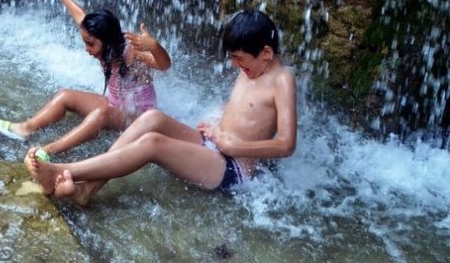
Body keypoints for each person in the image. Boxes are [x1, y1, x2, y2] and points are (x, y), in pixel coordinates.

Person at [24, 10, 297, 205]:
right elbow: (241, 108)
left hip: (231, 167)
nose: (235, 65)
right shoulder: (251, 68)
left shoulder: (282, 81)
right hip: (214, 144)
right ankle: (87, 190)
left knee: (153, 144)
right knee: (151, 118)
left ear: (266, 53)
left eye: (239, 59)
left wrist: (233, 146)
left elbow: (286, 145)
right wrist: (217, 122)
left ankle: (65, 171)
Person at [0, 0, 171, 159]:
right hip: (114, 107)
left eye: (90, 44)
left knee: (102, 114)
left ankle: (49, 151)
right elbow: (81, 16)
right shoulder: (102, 39)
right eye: (85, 43)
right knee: (65, 95)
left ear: (107, 42)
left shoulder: (132, 50)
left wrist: (153, 46)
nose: (87, 49)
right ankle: (25, 129)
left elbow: (163, 65)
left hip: (139, 116)